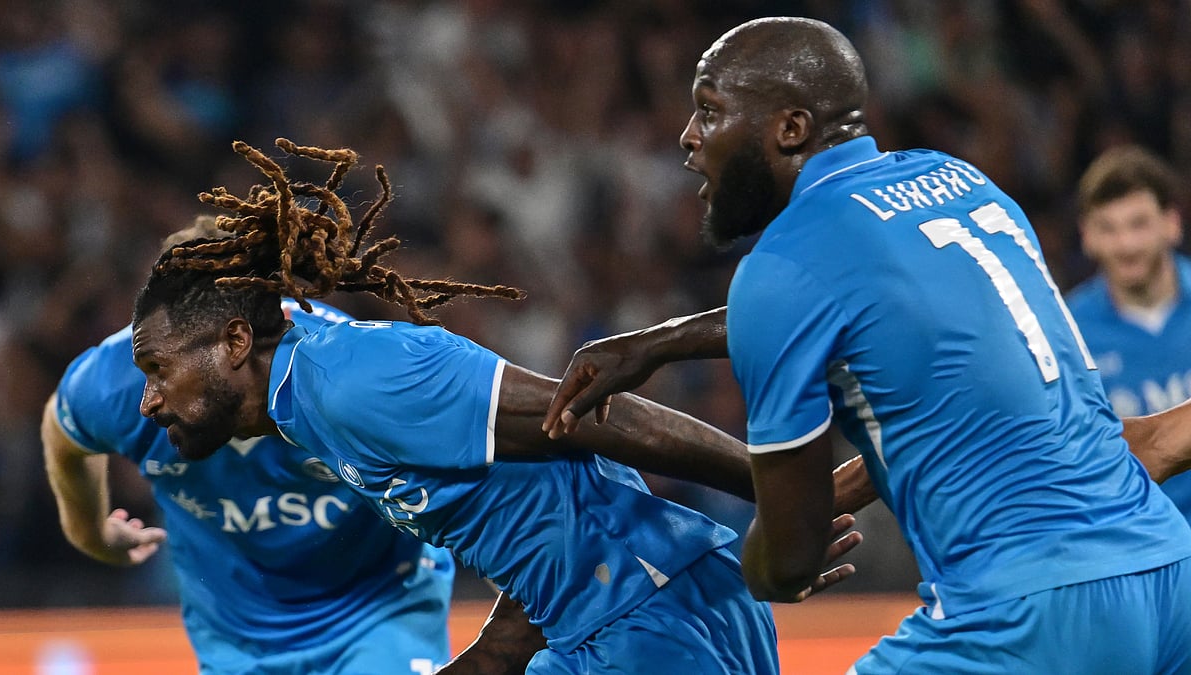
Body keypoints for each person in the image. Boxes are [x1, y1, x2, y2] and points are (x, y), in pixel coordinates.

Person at [542, 17, 1191, 673]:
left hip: (1026, 610)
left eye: (709, 111)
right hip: (1167, 574)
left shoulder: (781, 264)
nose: (688, 137)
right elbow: (871, 300)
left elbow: (790, 558)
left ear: (790, 129)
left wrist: (752, 564)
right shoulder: (957, 183)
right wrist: (664, 342)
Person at [129, 138, 864, 675]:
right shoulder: (304, 396)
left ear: (232, 342)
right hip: (611, 620)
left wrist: (789, 492)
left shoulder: (351, 382)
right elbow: (531, 532)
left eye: (156, 367)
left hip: (650, 622)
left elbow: (585, 413)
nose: (149, 397)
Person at [44, 216, 554, 674]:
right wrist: (90, 532)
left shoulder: (338, 377)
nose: (151, 393)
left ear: (234, 338)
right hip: (235, 643)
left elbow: (494, 492)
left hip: (377, 616)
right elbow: (62, 432)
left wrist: (541, 621)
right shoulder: (118, 383)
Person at [1066, 145, 1191, 521]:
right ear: (1086, 235)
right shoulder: (1067, 332)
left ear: (1171, 223)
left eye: (1138, 224)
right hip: (1133, 548)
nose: (1126, 245)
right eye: (1108, 228)